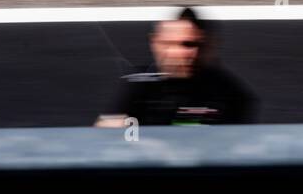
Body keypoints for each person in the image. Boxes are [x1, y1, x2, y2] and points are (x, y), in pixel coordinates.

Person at [96, 8, 255, 127]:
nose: (185, 53)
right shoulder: (138, 84)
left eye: (192, 45)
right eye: (171, 44)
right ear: (156, 43)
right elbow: (102, 136)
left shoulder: (231, 94)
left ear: (210, 47)